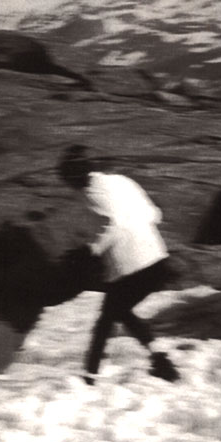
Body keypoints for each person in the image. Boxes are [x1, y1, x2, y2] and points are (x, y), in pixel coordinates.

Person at [59, 144, 180, 384]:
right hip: (157, 258)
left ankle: (89, 377)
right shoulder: (122, 181)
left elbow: (114, 224)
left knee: (106, 319)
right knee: (119, 312)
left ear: (73, 178)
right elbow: (155, 213)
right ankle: (161, 361)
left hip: (131, 268)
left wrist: (92, 250)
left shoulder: (91, 194)